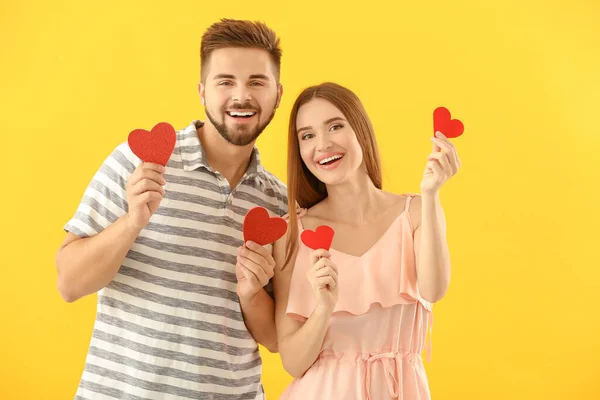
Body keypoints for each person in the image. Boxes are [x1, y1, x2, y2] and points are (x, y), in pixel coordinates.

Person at [55, 19, 287, 400]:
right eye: (225, 81)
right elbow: (69, 283)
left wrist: (251, 291)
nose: (241, 96)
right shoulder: (138, 161)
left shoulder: (277, 203)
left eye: (257, 82)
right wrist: (132, 222)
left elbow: (276, 339)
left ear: (278, 94)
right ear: (202, 91)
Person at [272, 82, 460, 399]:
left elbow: (434, 289)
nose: (323, 144)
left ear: (360, 129)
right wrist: (324, 308)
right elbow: (293, 362)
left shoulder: (414, 212)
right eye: (307, 136)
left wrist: (431, 194)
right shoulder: (292, 234)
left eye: (335, 126)